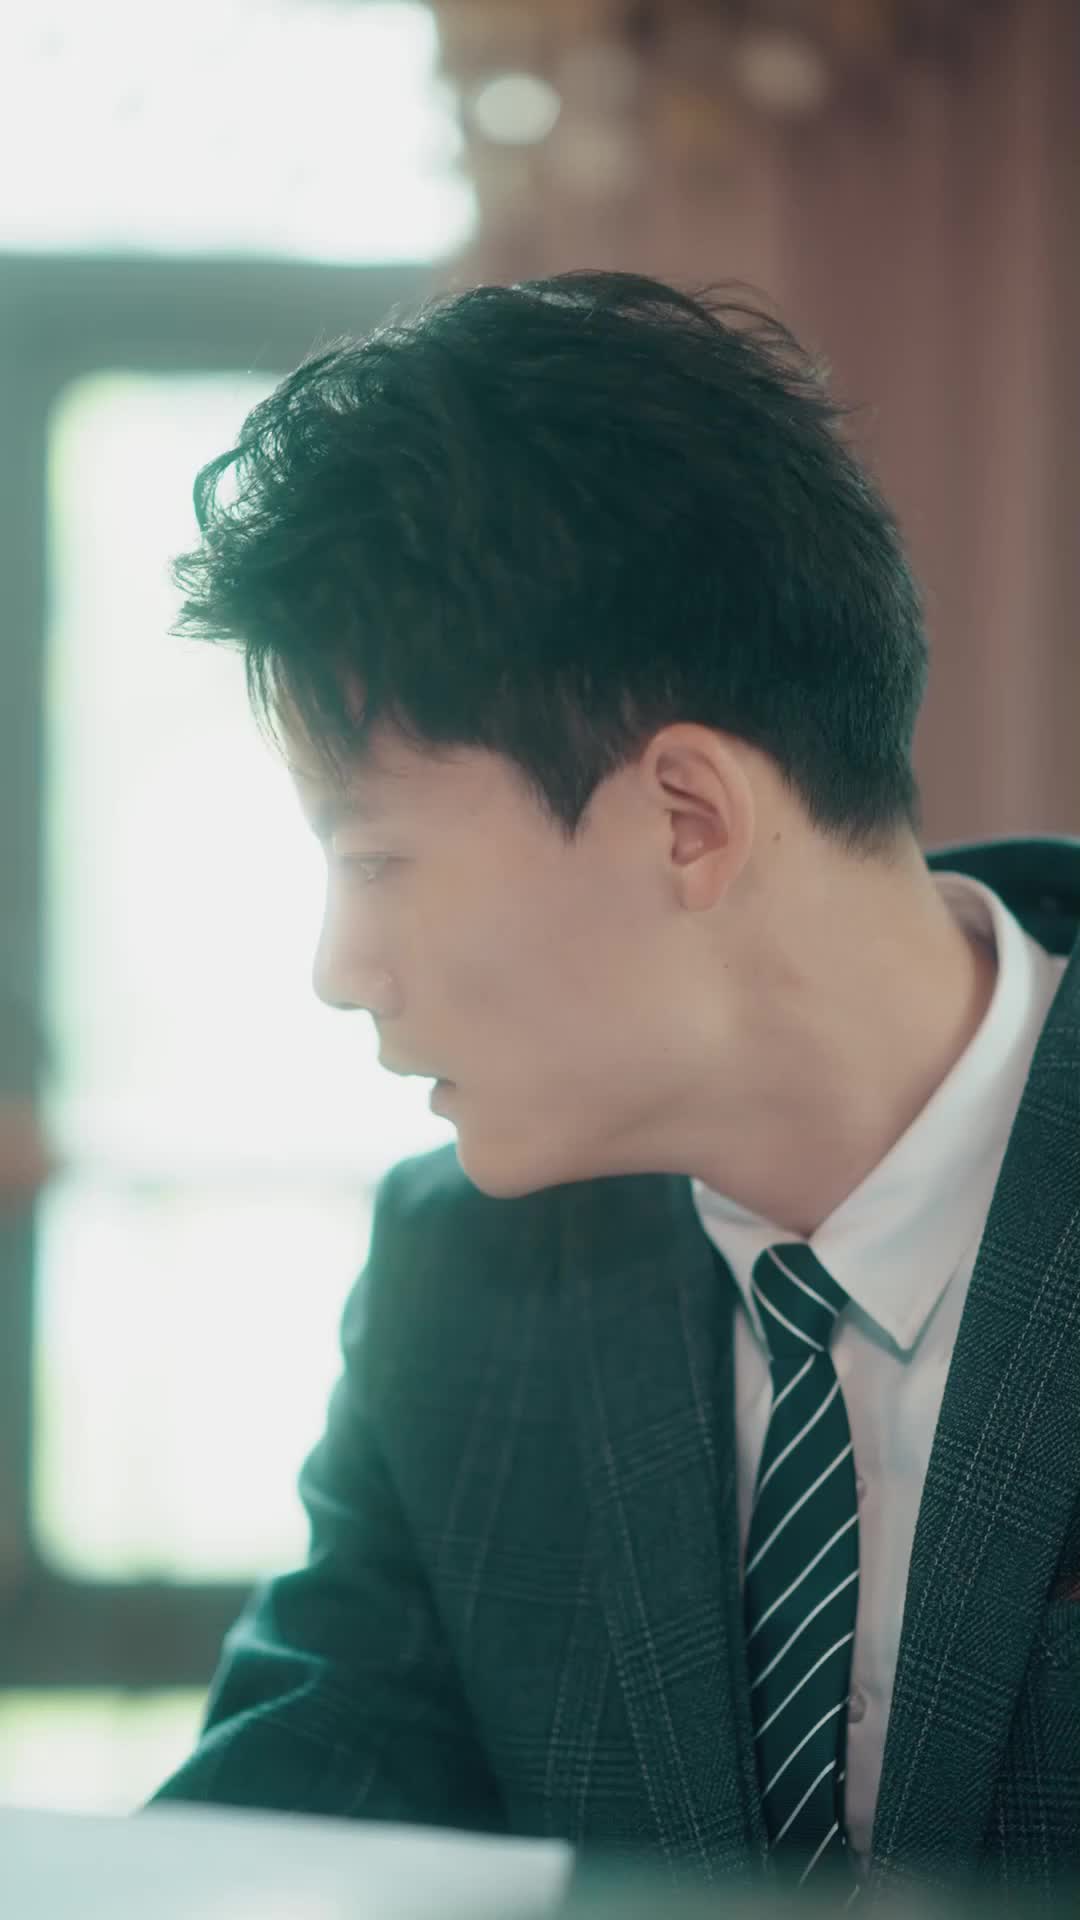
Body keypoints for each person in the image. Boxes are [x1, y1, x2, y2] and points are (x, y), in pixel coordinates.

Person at [143, 271, 1080, 1903]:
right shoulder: (462, 1280)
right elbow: (289, 1837)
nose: (340, 969)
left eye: (377, 860)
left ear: (686, 821)